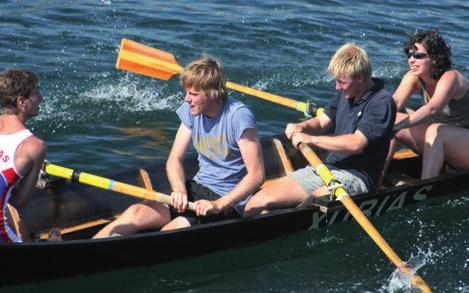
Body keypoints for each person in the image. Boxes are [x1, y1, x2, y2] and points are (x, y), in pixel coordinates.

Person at [94, 57, 264, 238]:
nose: (186, 99)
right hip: (197, 188)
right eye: (186, 92)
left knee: (173, 228)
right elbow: (174, 158)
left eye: (193, 94)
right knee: (136, 212)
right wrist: (179, 190)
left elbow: (257, 175)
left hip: (227, 200)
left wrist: (219, 205)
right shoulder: (192, 111)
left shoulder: (238, 116)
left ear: (212, 94)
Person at [244, 43, 396, 216]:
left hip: (358, 177)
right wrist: (302, 127)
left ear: (360, 77)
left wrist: (311, 139)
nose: (337, 87)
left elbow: (356, 144)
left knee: (313, 203)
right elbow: (322, 122)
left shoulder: (381, 103)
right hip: (327, 168)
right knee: (256, 203)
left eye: (341, 82)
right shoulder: (345, 93)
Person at [389, 29, 469, 180]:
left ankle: (425, 185)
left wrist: (397, 127)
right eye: (410, 54)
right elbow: (392, 105)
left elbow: (432, 109)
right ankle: (375, 181)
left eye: (418, 55)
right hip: (444, 142)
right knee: (390, 119)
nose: (411, 60)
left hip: (464, 144)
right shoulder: (413, 77)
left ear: (435, 58)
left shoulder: (450, 77)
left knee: (434, 129)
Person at [0, 69, 46, 243]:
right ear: (21, 102)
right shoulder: (34, 146)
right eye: (36, 92)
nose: (41, 98)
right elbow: (19, 203)